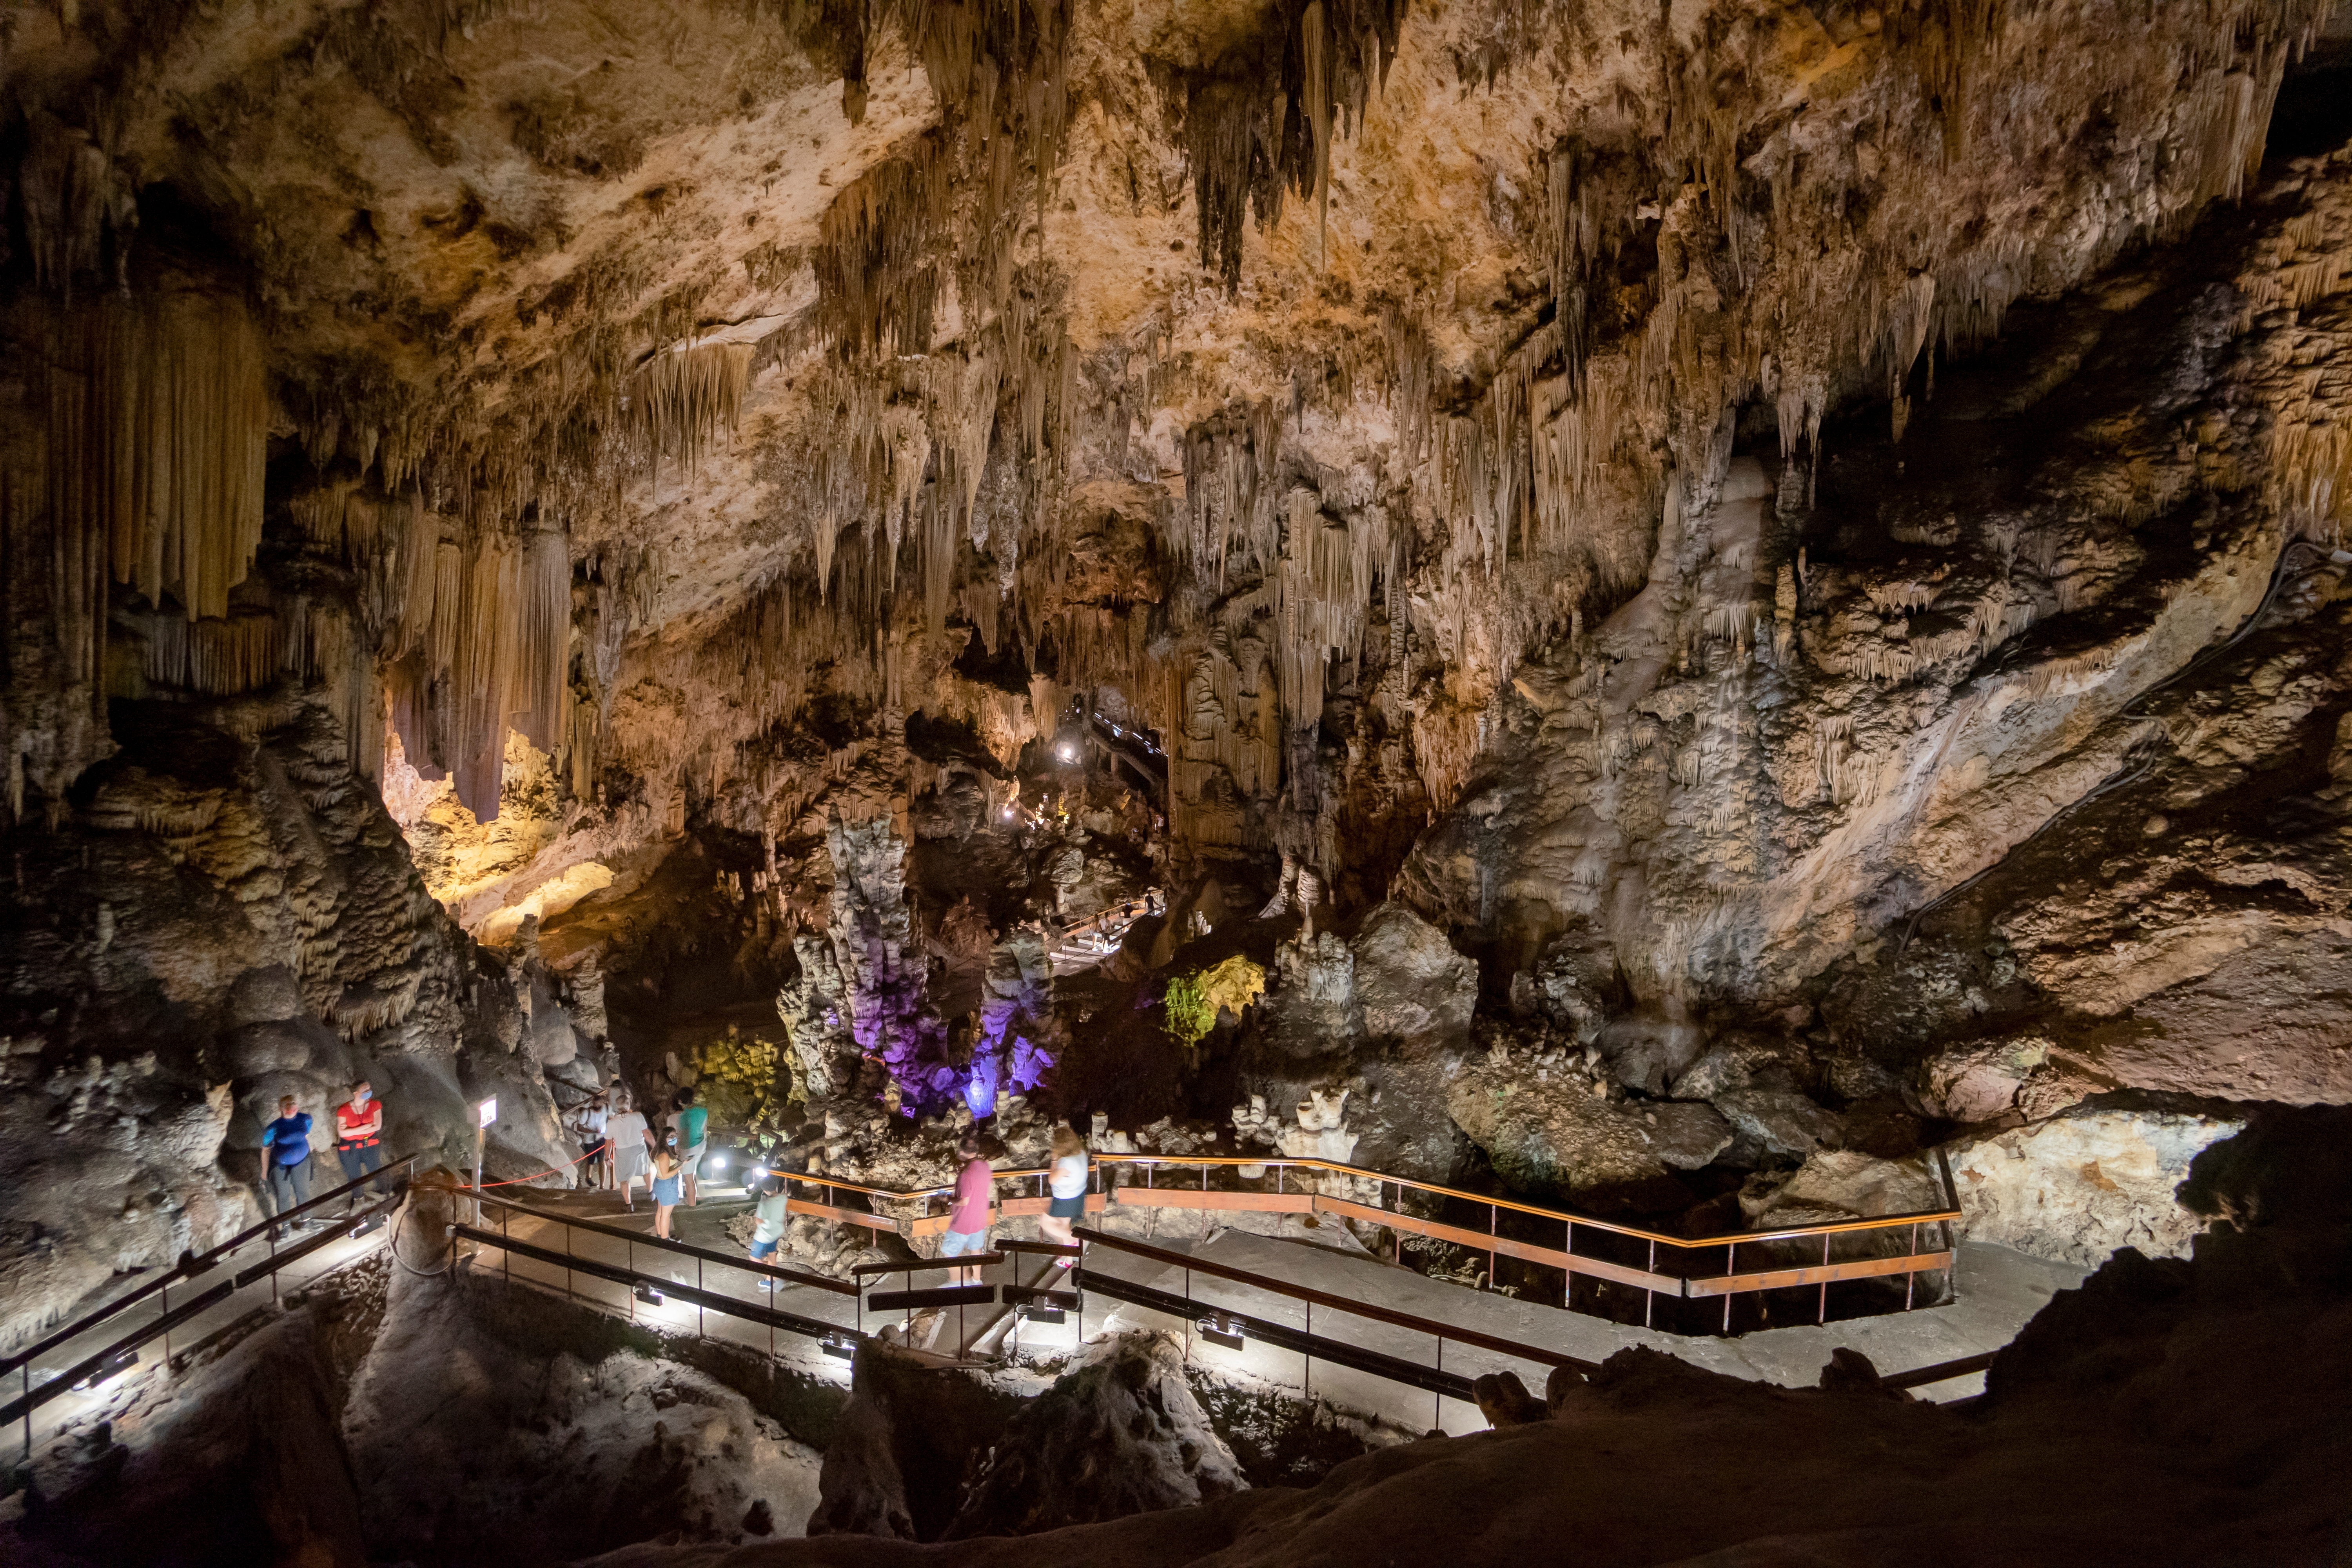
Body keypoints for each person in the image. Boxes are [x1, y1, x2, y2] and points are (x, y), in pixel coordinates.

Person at [941, 1135, 995, 1285]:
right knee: (976, 1249)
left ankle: (962, 1282)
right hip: (979, 1217)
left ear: (962, 1152)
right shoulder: (985, 1166)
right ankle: (977, 1281)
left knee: (949, 1252)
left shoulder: (966, 1174)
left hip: (964, 1221)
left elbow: (964, 1201)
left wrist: (948, 1199)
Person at [260, 1095, 315, 1236]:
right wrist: (265, 1172)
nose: (291, 1107)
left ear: (298, 1105)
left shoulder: (306, 1119)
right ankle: (286, 1227)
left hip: (302, 1162)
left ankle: (307, 1222)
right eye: (287, 1105)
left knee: (303, 1192)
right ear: (281, 1108)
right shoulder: (273, 1128)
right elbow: (266, 1150)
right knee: (283, 1195)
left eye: (293, 1103)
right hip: (280, 1165)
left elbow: (306, 1135)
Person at [1038, 1124, 1089, 1260]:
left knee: (1045, 1222)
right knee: (1063, 1226)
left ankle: (1079, 1240)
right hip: (1078, 1196)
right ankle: (1068, 1258)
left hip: (1065, 1200)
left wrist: (1054, 1160)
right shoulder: (1081, 1153)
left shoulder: (1067, 1162)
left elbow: (1052, 1180)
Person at [332, 1080, 384, 1210]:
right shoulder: (344, 1110)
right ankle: (358, 1200)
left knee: (376, 1169)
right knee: (354, 1174)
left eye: (369, 1089)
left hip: (370, 1144)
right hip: (350, 1147)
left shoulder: (375, 1105)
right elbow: (342, 1134)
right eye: (365, 1091)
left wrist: (352, 1131)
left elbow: (377, 1127)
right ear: (356, 1093)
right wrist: (367, 1127)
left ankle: (385, 1193)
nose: (369, 1092)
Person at [606, 1091, 652, 1212]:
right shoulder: (638, 1116)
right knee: (646, 1170)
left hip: (623, 1152)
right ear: (628, 1105)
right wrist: (655, 1146)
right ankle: (651, 1192)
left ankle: (629, 1204)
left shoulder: (612, 1123)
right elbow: (646, 1133)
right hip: (639, 1148)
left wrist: (607, 1158)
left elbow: (608, 1142)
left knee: (624, 1179)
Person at [747, 1172, 791, 1292]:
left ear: (764, 1190)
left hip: (764, 1236)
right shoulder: (783, 1198)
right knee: (772, 1254)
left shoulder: (764, 1204)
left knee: (754, 1258)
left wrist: (757, 1215)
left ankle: (774, 1280)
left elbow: (759, 1221)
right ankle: (770, 1280)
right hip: (776, 1232)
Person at [674, 1086, 709, 1207]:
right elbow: (705, 1130)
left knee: (688, 1179)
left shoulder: (685, 1115)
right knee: (693, 1174)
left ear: (680, 1101)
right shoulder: (703, 1111)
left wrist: (679, 1152)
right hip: (700, 1146)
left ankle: (692, 1205)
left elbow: (684, 1135)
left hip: (689, 1149)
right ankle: (696, 1197)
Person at [573, 1094, 611, 1190]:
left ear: (602, 1104)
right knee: (591, 1160)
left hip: (602, 1138)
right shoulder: (587, 1113)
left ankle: (602, 1185)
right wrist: (593, 1131)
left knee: (602, 1160)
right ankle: (589, 1179)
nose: (597, 1108)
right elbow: (579, 1127)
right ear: (593, 1103)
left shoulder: (607, 1108)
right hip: (590, 1140)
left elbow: (612, 1118)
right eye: (595, 1105)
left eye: (599, 1106)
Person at [650, 1131, 683, 1240]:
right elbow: (666, 1175)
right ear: (664, 1138)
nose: (674, 1138)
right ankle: (666, 1239)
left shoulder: (660, 1151)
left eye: (675, 1136)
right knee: (666, 1215)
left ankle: (661, 1235)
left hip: (661, 1184)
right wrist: (682, 1166)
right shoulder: (664, 1155)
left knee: (661, 1211)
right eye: (671, 1136)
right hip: (667, 1185)